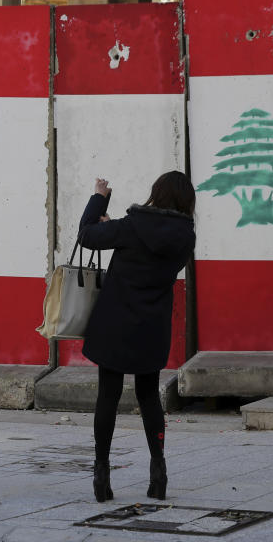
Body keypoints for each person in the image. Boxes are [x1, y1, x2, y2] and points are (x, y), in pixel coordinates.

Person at [78, 171, 196, 503]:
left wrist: (99, 197)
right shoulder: (186, 236)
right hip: (151, 327)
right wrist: (119, 227)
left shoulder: (132, 226)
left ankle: (101, 474)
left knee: (108, 396)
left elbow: (87, 235)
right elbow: (152, 254)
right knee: (148, 397)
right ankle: (158, 473)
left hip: (115, 324)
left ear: (156, 193)